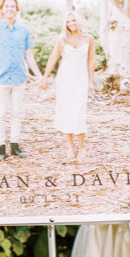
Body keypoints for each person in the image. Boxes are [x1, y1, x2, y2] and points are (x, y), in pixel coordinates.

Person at [0, 0, 44, 160]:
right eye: (7, 6)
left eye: (13, 7)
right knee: (1, 114)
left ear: (17, 11)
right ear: (2, 10)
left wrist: (39, 76)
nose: (10, 9)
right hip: (1, 79)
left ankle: (15, 146)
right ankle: (0, 148)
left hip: (19, 78)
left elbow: (29, 56)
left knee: (17, 113)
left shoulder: (23, 30)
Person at [40, 11, 96, 163]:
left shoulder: (89, 38)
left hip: (81, 79)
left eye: (74, 21)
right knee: (67, 112)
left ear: (79, 21)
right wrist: (45, 77)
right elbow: (53, 57)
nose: (71, 23)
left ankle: (82, 147)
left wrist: (91, 81)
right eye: (68, 21)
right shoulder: (62, 40)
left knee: (79, 112)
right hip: (65, 79)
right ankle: (71, 147)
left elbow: (91, 60)